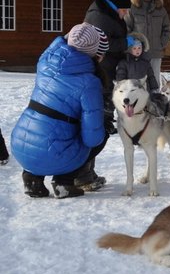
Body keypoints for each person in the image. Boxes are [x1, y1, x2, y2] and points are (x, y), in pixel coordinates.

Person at [10, 23, 110, 198]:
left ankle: (32, 177)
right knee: (99, 133)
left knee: (51, 124)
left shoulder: (45, 61)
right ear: (95, 53)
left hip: (20, 144)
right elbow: (92, 138)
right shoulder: (89, 81)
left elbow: (60, 44)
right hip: (54, 153)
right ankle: (64, 181)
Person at [126, 0, 170, 83]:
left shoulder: (160, 9)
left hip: (156, 51)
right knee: (138, 79)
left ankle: (155, 98)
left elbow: (167, 28)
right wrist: (132, 46)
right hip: (138, 52)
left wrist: (162, 44)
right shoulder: (132, 9)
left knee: (154, 78)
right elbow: (127, 28)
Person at [115, 33, 170, 116]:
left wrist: (154, 88)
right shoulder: (124, 63)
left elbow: (151, 76)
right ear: (129, 49)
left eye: (139, 48)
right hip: (130, 93)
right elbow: (121, 78)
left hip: (144, 92)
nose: (137, 50)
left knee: (145, 110)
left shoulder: (145, 63)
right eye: (134, 48)